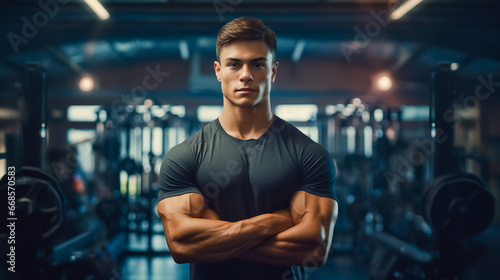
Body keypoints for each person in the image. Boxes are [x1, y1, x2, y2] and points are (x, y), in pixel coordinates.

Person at [157, 16, 338, 280]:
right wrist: (273, 222)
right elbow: (181, 244)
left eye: (257, 64)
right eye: (234, 64)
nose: (246, 75)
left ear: (273, 71)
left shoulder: (309, 155)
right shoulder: (185, 156)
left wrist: (217, 239)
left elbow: (314, 247)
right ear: (218, 71)